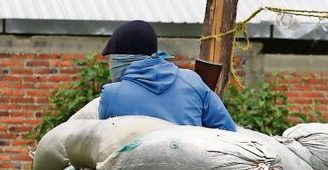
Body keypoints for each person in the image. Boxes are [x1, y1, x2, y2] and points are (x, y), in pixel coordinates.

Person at [99, 20, 237, 131]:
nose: (111, 63)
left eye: (112, 57)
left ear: (124, 58)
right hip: (191, 164)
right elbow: (227, 131)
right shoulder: (192, 81)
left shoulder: (111, 95)